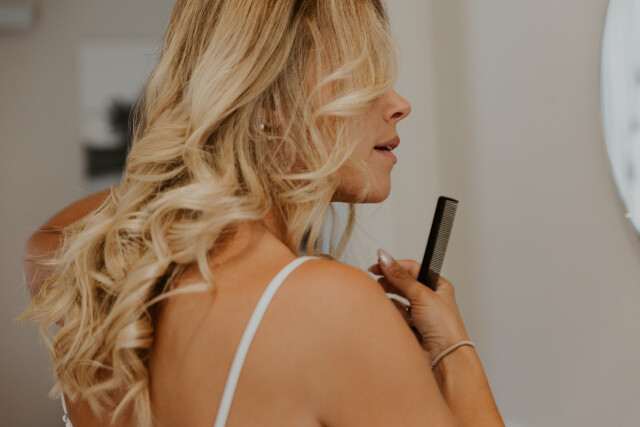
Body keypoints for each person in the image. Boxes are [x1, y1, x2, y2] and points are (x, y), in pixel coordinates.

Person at [21, 0, 504, 426]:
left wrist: (194, 157)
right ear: (269, 101)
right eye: (363, 75)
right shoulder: (331, 308)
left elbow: (52, 235)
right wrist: (454, 351)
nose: (400, 104)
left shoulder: (87, 271)